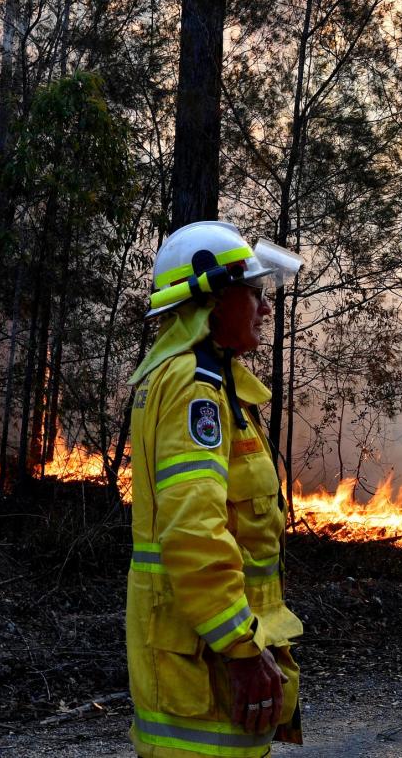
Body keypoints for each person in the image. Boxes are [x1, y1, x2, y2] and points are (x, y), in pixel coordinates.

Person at [125, 221, 306, 757]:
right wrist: (242, 649)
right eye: (254, 294)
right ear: (215, 299)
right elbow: (195, 533)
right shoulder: (193, 387)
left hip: (204, 654)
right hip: (205, 665)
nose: (265, 309)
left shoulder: (210, 382)